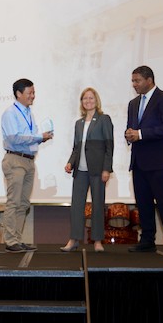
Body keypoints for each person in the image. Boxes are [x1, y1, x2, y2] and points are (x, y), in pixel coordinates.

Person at [125, 66, 163, 254]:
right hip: (139, 161)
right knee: (143, 203)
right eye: (133, 81)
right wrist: (129, 134)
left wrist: (140, 134)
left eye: (137, 81)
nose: (134, 84)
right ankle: (147, 240)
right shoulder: (133, 103)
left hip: (159, 161)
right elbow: (132, 128)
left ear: (149, 80)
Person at [1, 78, 53, 253]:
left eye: (34, 92)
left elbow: (29, 136)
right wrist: (39, 136)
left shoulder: (29, 113)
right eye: (30, 93)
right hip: (15, 160)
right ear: (19, 94)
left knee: (23, 204)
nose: (33, 96)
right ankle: (10, 240)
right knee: (14, 202)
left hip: (29, 161)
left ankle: (17, 239)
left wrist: (41, 137)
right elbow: (14, 138)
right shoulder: (10, 113)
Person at [63, 87, 114, 253]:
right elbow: (76, 148)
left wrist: (107, 169)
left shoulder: (104, 119)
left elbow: (109, 146)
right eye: (85, 98)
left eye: (91, 98)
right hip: (80, 171)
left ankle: (97, 241)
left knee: (98, 205)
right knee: (77, 205)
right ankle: (74, 239)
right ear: (81, 102)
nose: (88, 101)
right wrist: (70, 163)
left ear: (96, 100)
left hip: (98, 170)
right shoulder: (78, 123)